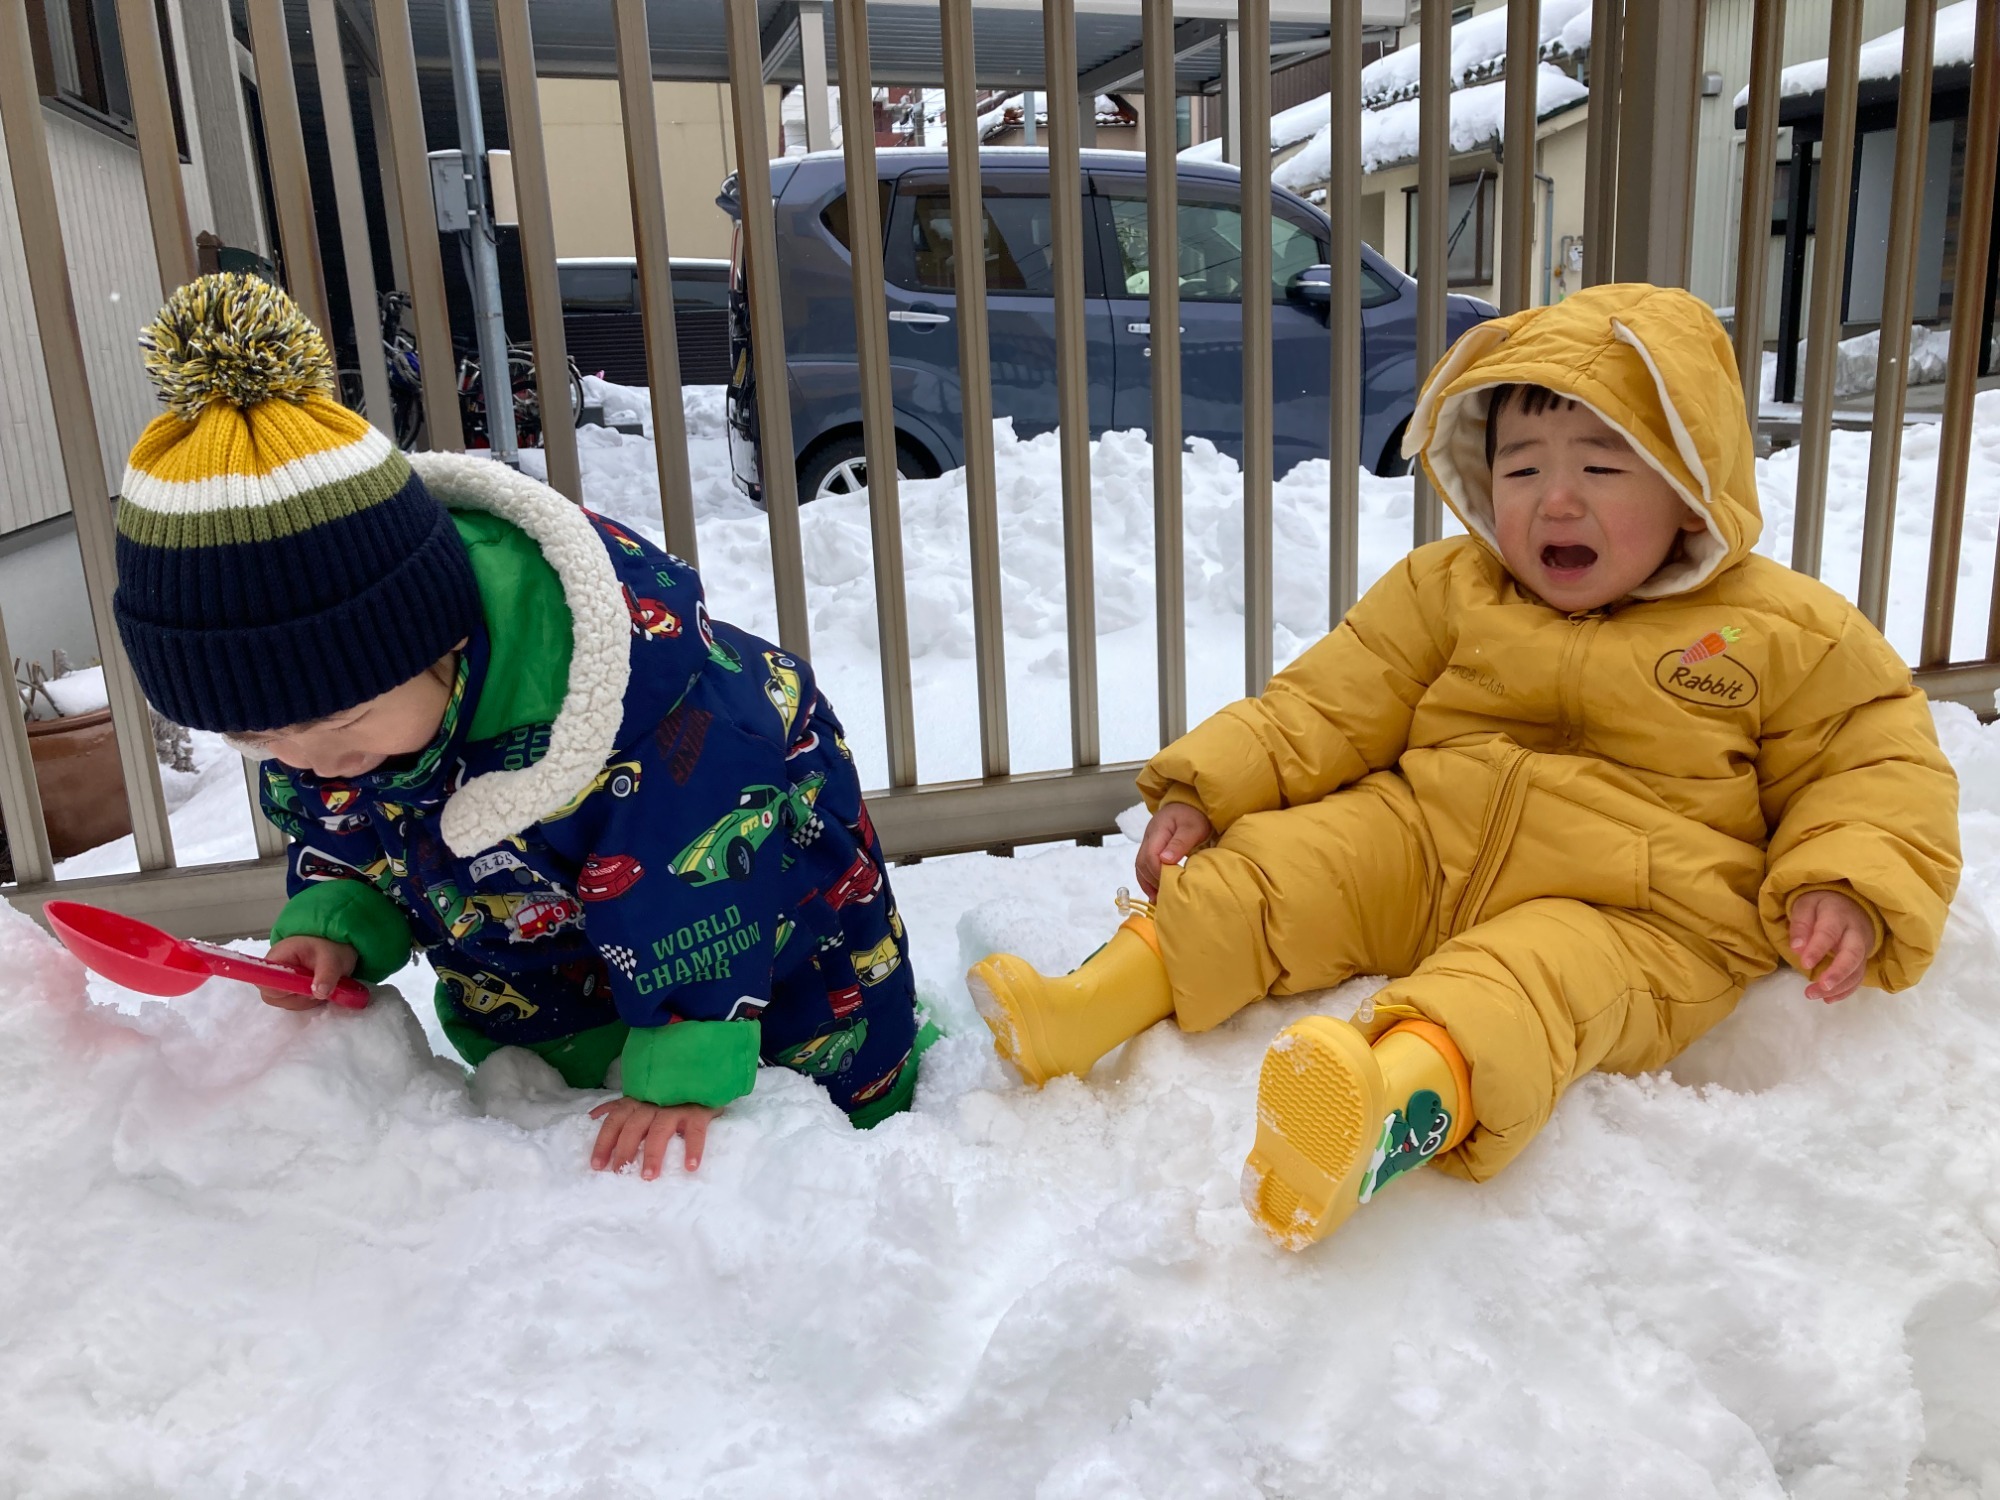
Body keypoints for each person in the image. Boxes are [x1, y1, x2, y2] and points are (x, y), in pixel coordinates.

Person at [966, 283, 1960, 1250]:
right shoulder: (1450, 587)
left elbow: (1871, 762)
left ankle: (1381, 1107)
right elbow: (1327, 701)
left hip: (1634, 907)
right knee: (1283, 865)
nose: (1555, 501)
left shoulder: (1780, 630)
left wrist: (1846, 882)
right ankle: (1083, 1009)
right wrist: (1207, 787)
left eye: (1602, 467)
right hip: (1428, 837)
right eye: (1520, 470)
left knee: (1522, 992)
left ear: (1691, 491)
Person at [112, 274, 923, 1180]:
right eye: (259, 742)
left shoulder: (645, 728)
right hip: (549, 949)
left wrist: (686, 1069)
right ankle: (582, 1055)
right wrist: (337, 920)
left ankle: (853, 1147)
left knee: (811, 1073)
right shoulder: (339, 731)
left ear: (445, 637)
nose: (311, 761)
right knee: (552, 1071)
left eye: (340, 720)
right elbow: (348, 830)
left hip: (759, 918)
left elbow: (691, 895)